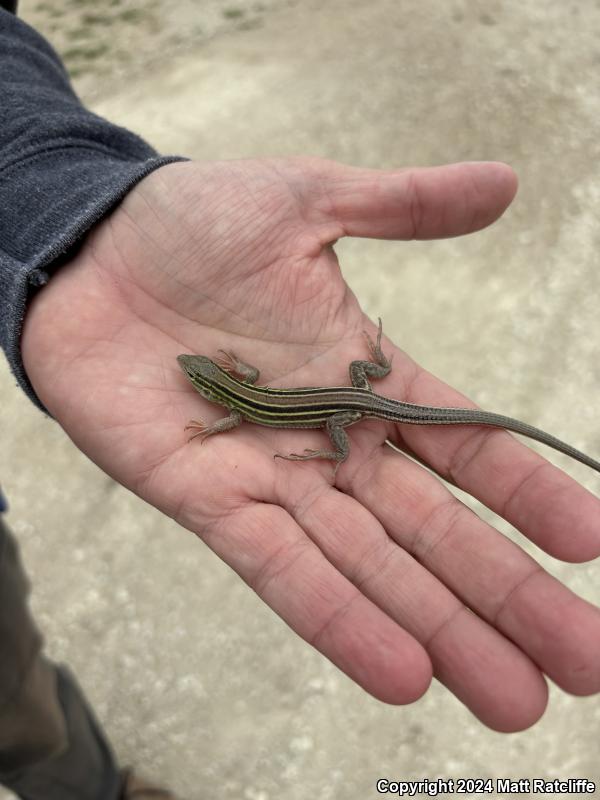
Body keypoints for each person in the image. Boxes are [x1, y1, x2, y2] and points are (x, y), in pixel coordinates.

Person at [2, 1, 600, 798]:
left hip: (341, 413)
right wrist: (224, 409)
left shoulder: (237, 400)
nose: (198, 378)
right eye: (202, 377)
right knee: (348, 420)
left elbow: (231, 403)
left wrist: (242, 422)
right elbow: (234, 397)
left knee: (344, 443)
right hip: (341, 401)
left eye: (202, 379)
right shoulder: (237, 395)